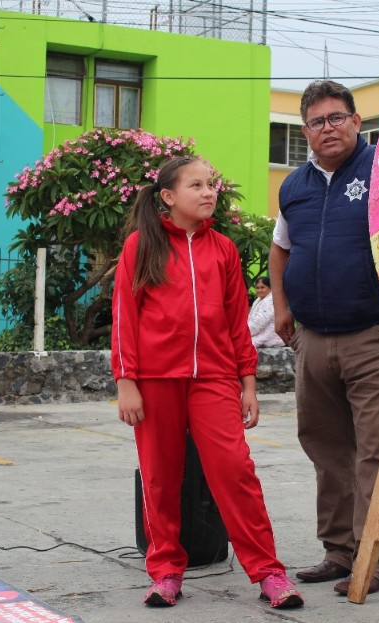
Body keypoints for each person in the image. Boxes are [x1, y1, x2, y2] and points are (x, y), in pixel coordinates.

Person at [111, 157, 303, 610]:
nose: (208, 192)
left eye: (211, 184)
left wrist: (248, 383)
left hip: (215, 377)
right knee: (160, 479)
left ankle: (269, 572)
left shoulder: (223, 250)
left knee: (235, 471)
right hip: (156, 380)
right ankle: (165, 572)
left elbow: (239, 324)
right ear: (169, 196)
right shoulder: (142, 246)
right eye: (195, 185)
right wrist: (126, 381)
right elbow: (124, 316)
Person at [269, 80, 379, 596]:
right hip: (314, 338)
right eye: (316, 121)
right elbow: (280, 249)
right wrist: (282, 307)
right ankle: (339, 551)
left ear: (357, 121)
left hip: (377, 334)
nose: (327, 128)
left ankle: (375, 557)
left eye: (336, 118)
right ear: (305, 130)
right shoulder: (294, 187)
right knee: (327, 449)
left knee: (377, 452)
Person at [247, 277, 285, 348]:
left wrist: (245, 333)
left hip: (270, 337)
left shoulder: (270, 301)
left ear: (270, 288)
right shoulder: (258, 300)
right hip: (258, 333)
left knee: (243, 345)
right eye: (257, 288)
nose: (259, 290)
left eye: (262, 287)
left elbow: (259, 323)